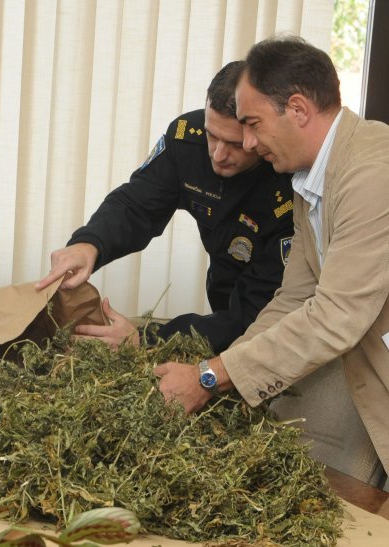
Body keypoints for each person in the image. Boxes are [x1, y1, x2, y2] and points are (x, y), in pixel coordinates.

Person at [154, 36, 389, 481]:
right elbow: (294, 297)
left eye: (253, 124)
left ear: (298, 110)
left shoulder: (371, 175)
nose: (247, 141)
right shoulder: (309, 179)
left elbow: (335, 314)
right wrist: (223, 381)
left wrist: (210, 376)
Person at [36, 61, 294, 354]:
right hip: (223, 276)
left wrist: (149, 340)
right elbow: (136, 204)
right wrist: (89, 244)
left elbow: (254, 319)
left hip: (272, 304)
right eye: (212, 135)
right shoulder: (186, 138)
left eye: (235, 143)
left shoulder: (287, 180)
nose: (219, 155)